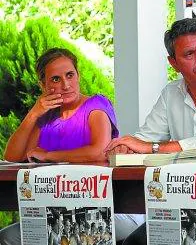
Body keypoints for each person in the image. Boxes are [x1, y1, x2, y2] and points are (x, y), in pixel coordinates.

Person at [0, 48, 142, 244]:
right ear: (43, 84)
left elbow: (99, 152)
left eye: (70, 75)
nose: (66, 85)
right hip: (60, 211)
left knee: (72, 233)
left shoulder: (96, 105)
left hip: (114, 209)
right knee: (7, 237)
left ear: (78, 75)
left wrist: (50, 155)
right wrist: (33, 114)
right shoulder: (45, 119)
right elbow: (12, 156)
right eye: (56, 79)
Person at [105, 18, 196, 245]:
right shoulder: (171, 93)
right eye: (189, 54)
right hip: (179, 199)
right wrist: (125, 146)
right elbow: (144, 139)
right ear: (173, 63)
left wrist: (150, 147)